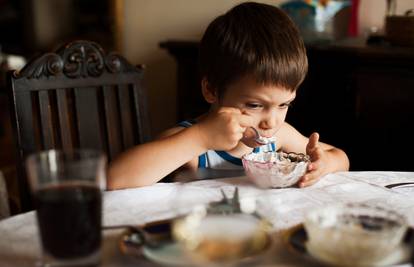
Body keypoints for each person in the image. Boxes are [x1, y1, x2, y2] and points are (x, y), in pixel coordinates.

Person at [107, 1, 349, 190]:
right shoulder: (194, 145)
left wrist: (324, 165)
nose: (271, 121)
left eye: (284, 104)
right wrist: (200, 138)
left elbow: (341, 158)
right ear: (211, 90)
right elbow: (115, 179)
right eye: (255, 105)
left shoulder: (279, 136)